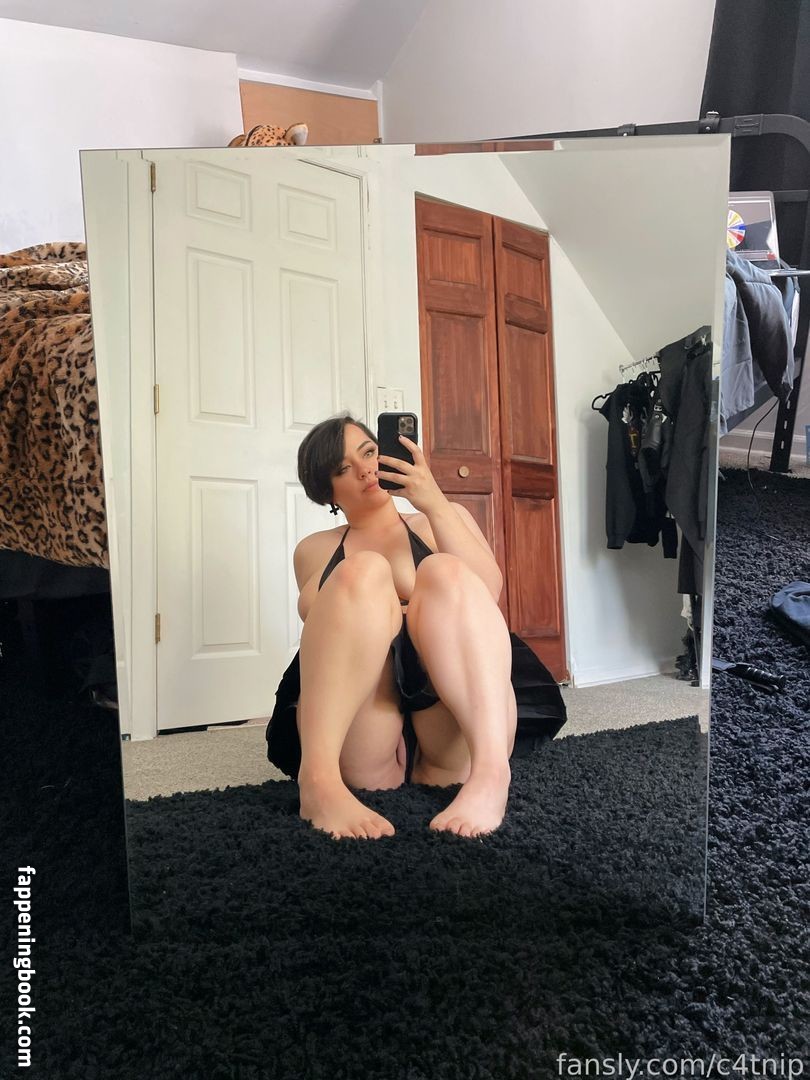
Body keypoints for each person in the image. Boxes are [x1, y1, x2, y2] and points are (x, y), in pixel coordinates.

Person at [266, 413, 566, 840]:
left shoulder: (439, 518)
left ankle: (491, 775)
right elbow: (319, 621)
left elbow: (488, 592)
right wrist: (367, 575)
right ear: (325, 491)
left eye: (370, 453)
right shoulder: (316, 548)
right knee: (362, 571)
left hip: (452, 708)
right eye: (343, 468)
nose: (366, 469)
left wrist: (435, 503)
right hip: (369, 711)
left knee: (445, 570)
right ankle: (318, 781)